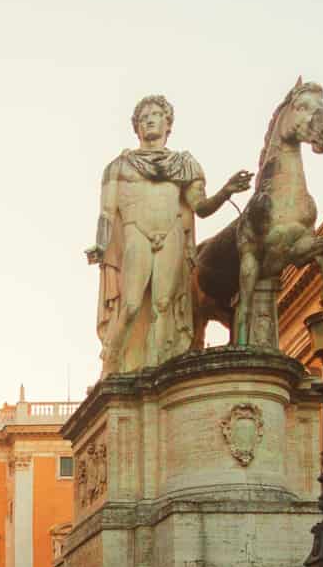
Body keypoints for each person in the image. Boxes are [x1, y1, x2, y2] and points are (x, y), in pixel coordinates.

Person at [87, 96, 250, 374]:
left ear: (168, 123)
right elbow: (106, 211)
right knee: (131, 304)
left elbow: (201, 207)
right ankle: (111, 365)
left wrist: (225, 192)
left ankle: (154, 371)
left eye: (155, 114)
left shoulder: (184, 165)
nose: (149, 119)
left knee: (164, 304)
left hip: (171, 233)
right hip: (136, 230)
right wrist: (101, 245)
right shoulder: (119, 166)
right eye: (143, 117)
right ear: (136, 128)